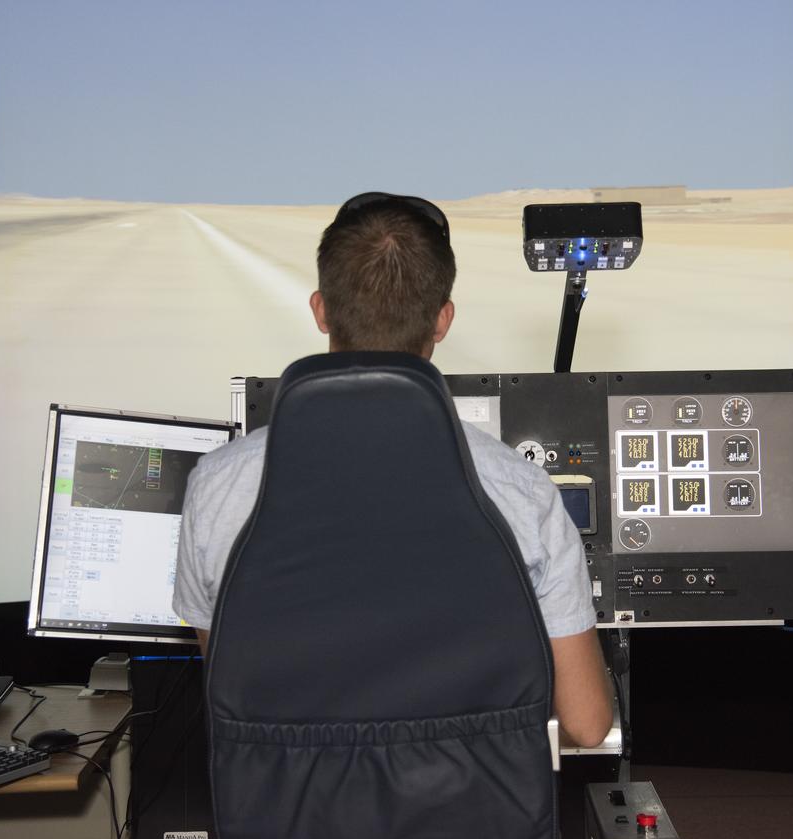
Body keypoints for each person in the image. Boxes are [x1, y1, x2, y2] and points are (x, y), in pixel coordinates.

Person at [172, 192, 612, 748]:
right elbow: (587, 724)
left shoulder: (218, 486)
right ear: (443, 319)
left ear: (321, 309)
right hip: (473, 820)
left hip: (293, 823)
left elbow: (233, 691)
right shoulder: (522, 492)